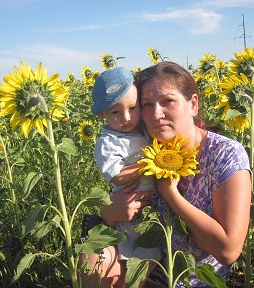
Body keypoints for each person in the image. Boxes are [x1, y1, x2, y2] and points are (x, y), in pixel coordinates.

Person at [84, 61, 252, 287]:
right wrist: (110, 213)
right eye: (146, 104)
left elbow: (228, 251)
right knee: (92, 253)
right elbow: (117, 200)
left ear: (193, 104)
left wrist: (171, 194)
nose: (155, 113)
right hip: (142, 266)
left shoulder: (225, 155)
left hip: (191, 279)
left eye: (168, 101)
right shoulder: (145, 144)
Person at [80, 67, 161, 287]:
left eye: (133, 108)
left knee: (155, 252)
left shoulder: (141, 129)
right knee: (140, 254)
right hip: (131, 207)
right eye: (115, 112)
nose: (126, 118)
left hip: (154, 204)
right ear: (102, 115)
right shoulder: (108, 142)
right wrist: (150, 164)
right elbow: (116, 175)